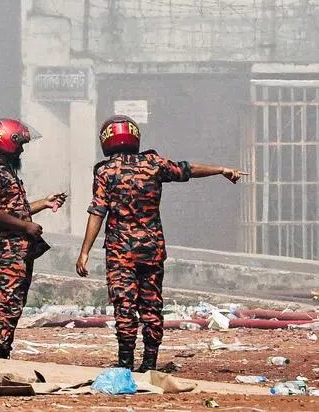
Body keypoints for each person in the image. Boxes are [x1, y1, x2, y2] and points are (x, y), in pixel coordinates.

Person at [75, 115, 245, 373]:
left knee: (125, 306)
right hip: (152, 251)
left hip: (121, 253)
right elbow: (188, 170)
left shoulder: (105, 171)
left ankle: (125, 364)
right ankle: (150, 363)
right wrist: (221, 169)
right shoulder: (154, 164)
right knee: (152, 306)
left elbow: (97, 212)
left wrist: (84, 251)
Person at [0, 118, 67, 359]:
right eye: (20, 144)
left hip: (17, 251)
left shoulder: (6, 172)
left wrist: (44, 204)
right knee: (7, 302)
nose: (22, 149)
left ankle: (3, 350)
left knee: (15, 302)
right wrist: (26, 226)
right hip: (3, 251)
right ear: (5, 143)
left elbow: (16, 210)